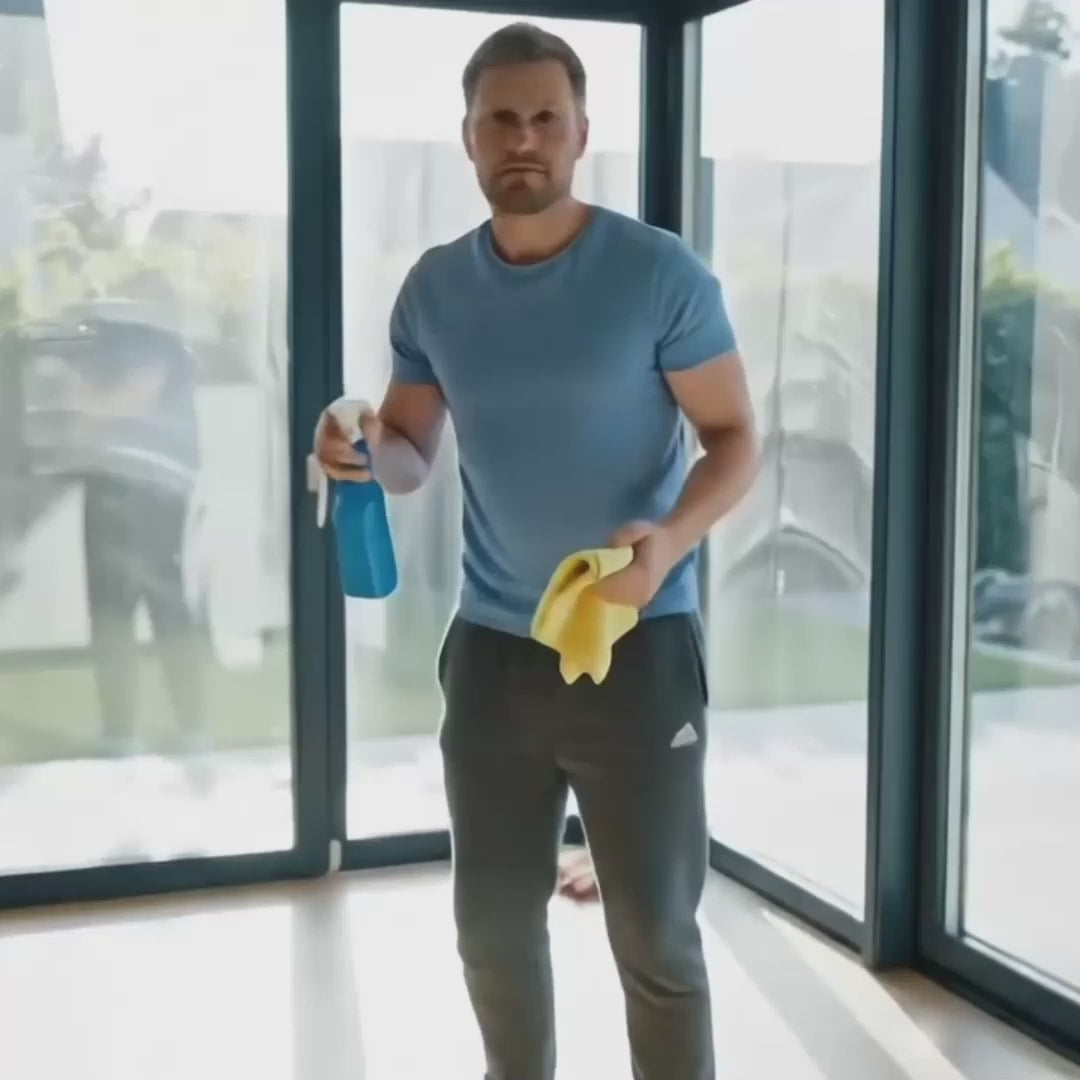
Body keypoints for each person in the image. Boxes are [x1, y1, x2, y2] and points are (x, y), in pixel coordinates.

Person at [316, 22, 756, 1080]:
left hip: (639, 646)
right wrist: (358, 445)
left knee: (656, 940)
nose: (523, 138)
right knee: (492, 932)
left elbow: (735, 437)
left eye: (545, 118)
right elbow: (411, 449)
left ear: (580, 133)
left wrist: (669, 542)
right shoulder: (435, 288)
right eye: (500, 119)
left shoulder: (658, 274)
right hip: (494, 655)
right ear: (468, 137)